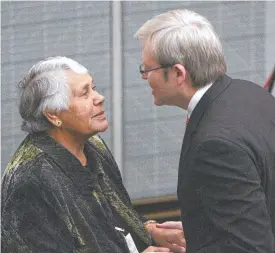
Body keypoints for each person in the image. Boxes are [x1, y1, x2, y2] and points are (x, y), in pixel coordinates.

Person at [1, 56, 186, 253]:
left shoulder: (92, 144)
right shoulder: (29, 181)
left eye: (93, 88)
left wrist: (148, 231)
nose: (99, 98)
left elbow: (113, 220)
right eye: (84, 94)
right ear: (53, 114)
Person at [135, 9, 275, 253]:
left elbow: (247, 247)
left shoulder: (216, 145)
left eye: (147, 69)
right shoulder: (248, 93)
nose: (145, 77)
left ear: (178, 73)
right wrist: (202, 228)